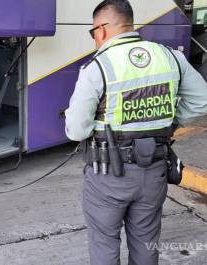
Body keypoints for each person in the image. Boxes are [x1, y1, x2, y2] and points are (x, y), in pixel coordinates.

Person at [65, 0, 207, 264]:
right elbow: (201, 100)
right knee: (146, 243)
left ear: (101, 29)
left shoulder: (98, 68)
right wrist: (169, 125)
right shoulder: (170, 57)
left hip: (108, 176)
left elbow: (75, 130)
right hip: (154, 170)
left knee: (104, 242)